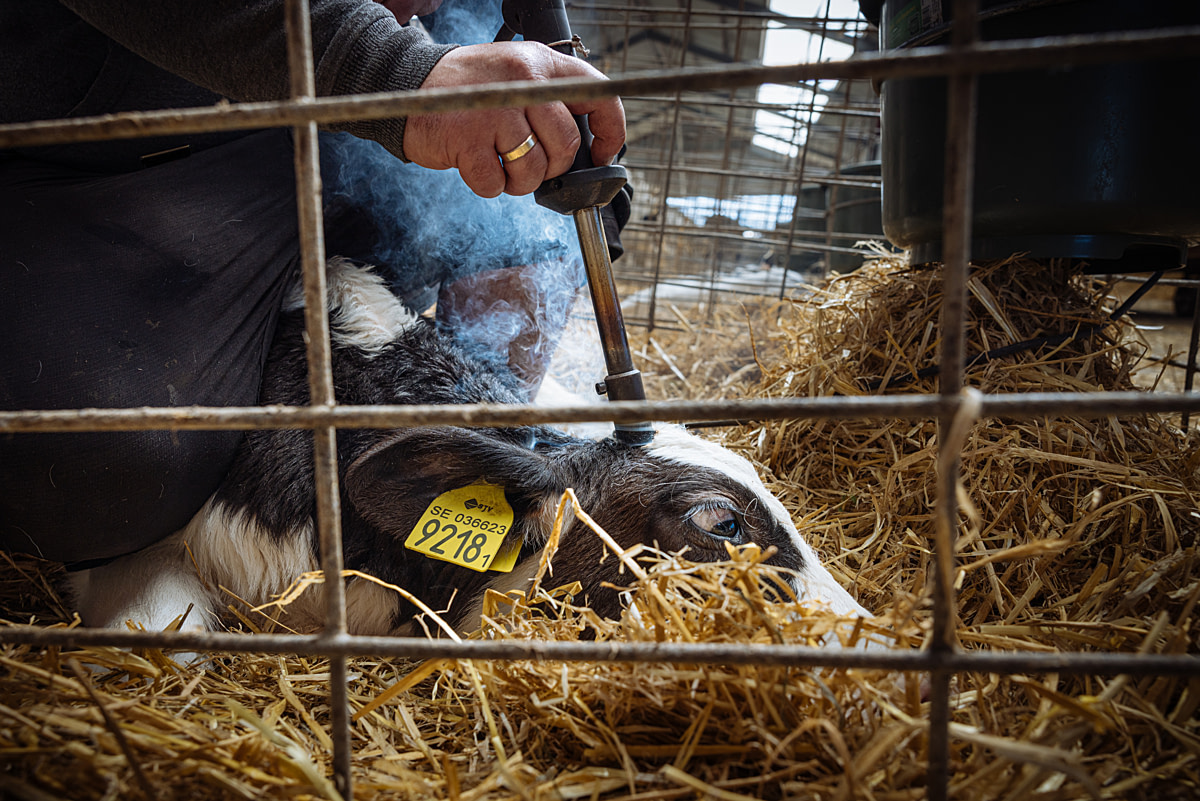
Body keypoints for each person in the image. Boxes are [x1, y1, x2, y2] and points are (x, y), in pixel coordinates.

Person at [0, 0, 626, 567]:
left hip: (345, 147)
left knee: (543, 221)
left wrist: (546, 133)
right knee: (101, 469)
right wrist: (401, 74)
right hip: (107, 166)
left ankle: (459, 507)